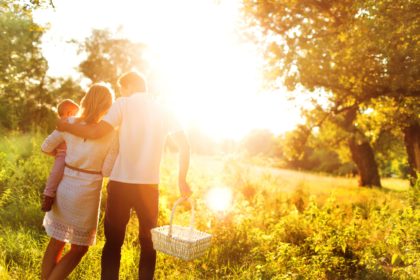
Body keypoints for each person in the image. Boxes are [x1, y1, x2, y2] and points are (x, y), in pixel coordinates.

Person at [57, 71, 192, 280]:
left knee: (113, 243)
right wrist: (181, 179)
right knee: (149, 244)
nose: (122, 93)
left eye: (122, 89)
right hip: (149, 187)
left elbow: (96, 132)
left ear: (128, 86)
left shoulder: (123, 104)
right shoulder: (165, 109)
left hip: (121, 184)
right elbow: (184, 144)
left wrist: (66, 125)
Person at [41, 84, 116, 280]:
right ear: (108, 106)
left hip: (65, 187)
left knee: (56, 242)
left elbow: (45, 146)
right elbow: (107, 171)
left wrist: (63, 157)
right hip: (88, 193)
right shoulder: (112, 134)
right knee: (79, 248)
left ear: (85, 100)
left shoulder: (69, 122)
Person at [41, 99, 79, 212]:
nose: (77, 117)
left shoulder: (72, 124)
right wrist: (57, 154)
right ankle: (48, 196)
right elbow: (50, 144)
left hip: (74, 154)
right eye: (75, 114)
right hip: (63, 154)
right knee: (56, 172)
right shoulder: (63, 124)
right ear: (68, 114)